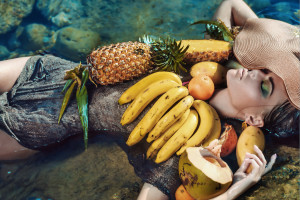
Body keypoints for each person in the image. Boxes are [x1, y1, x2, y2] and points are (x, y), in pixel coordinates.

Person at [0, 0, 298, 199]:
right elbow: (231, 4)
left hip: (37, 127)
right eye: (263, 68)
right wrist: (277, 50)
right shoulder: (213, 58)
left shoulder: (193, 143)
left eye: (265, 87)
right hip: (53, 71)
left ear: (254, 120)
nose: (254, 73)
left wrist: (236, 187)